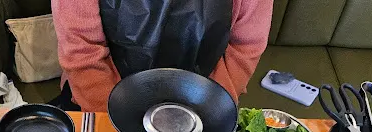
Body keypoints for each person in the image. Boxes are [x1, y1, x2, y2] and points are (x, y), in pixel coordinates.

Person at [51, 0, 273, 112]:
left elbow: (245, 47)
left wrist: (208, 114)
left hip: (205, 103)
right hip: (99, 101)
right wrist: (114, 119)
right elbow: (82, 50)